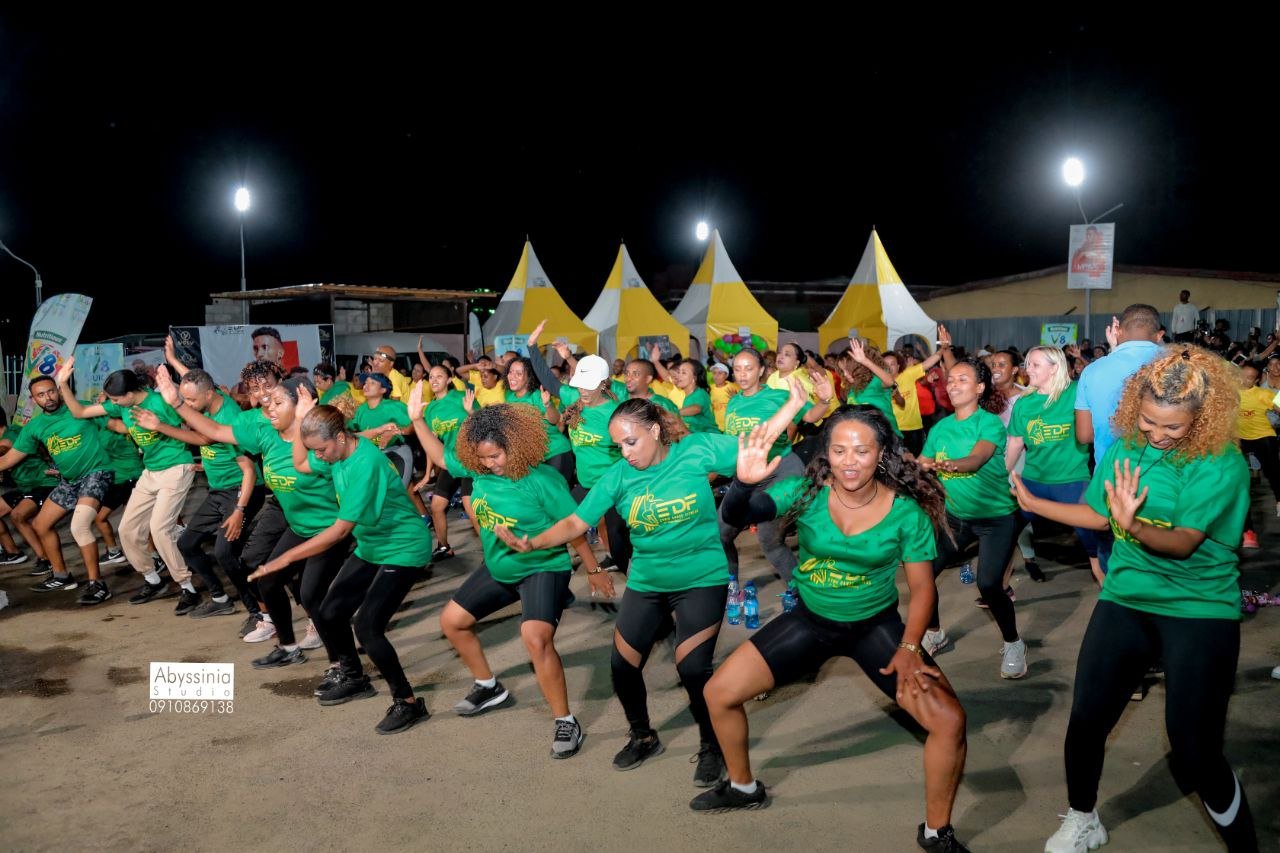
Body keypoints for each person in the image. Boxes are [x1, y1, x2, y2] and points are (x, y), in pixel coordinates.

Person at [495, 382, 808, 785]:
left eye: (631, 442)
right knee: (622, 666)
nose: (625, 453)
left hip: (701, 577)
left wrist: (794, 406)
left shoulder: (695, 451)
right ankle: (643, 736)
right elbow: (575, 522)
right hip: (647, 581)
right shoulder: (618, 476)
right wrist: (532, 542)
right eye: (618, 446)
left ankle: (712, 745)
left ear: (655, 431)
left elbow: (756, 441)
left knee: (693, 668)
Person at [1012, 346, 1257, 852]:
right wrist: (1035, 504)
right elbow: (1099, 515)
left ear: (1202, 417)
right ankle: (1083, 819)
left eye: (1173, 426)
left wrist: (1135, 525)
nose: (1158, 434)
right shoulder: (1126, 447)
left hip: (1197, 606)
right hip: (1126, 596)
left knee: (1194, 749)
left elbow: (1183, 542)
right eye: (1148, 421)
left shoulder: (1221, 461)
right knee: (1086, 719)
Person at [698, 410, 971, 852]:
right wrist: (743, 485)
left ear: (881, 454)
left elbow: (923, 590)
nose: (849, 461)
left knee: (949, 721)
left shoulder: (906, 513)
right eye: (839, 450)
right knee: (718, 692)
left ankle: (936, 832)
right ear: (826, 453)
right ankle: (743, 787)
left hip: (874, 626)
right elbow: (739, 513)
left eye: (862, 451)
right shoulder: (805, 492)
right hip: (810, 620)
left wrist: (908, 647)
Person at [408, 388, 607, 755]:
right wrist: (417, 420)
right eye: (483, 458)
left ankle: (565, 721)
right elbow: (440, 456)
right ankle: (489, 687)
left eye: (496, 455)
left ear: (515, 445)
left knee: (535, 638)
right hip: (501, 565)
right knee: (452, 622)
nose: (490, 464)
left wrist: (593, 569)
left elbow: (573, 527)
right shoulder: (478, 469)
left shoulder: (541, 480)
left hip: (542, 566)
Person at [252, 397, 433, 735]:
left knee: (367, 627)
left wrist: (285, 557)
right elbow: (301, 464)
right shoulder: (336, 454)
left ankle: (407, 702)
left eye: (321, 449)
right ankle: (354, 678)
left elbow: (338, 532)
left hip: (403, 548)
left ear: (340, 437)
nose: (318, 456)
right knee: (330, 611)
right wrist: (302, 419)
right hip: (373, 545)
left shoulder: (365, 464)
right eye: (314, 450)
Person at [157, 369, 346, 666]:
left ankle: (341, 665)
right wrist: (176, 403)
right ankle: (288, 648)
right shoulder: (265, 432)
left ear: (303, 404)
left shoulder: (322, 447)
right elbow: (215, 431)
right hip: (299, 526)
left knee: (312, 594)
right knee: (268, 581)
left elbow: (355, 461)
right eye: (268, 400)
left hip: (330, 529)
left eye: (278, 401)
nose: (268, 405)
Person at [59, 362, 201, 611]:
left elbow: (195, 427)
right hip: (151, 471)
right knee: (127, 529)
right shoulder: (122, 405)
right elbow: (79, 412)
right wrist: (62, 383)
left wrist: (162, 423)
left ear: (129, 393)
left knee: (160, 529)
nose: (111, 403)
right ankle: (153, 579)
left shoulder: (159, 403)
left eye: (115, 399)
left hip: (176, 467)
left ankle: (187, 586)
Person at [918, 358, 1027, 678]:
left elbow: (977, 458)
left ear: (980, 388)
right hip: (956, 517)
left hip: (996, 518)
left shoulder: (989, 423)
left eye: (962, 379)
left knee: (989, 584)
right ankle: (935, 633)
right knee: (923, 573)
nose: (953, 384)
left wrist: (948, 465)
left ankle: (1014, 643)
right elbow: (921, 464)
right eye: (950, 379)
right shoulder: (941, 428)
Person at [141, 369, 267, 619]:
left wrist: (239, 510)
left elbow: (248, 470)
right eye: (184, 399)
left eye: (191, 400)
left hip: (242, 491)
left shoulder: (229, 417)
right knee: (186, 544)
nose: (188, 405)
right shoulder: (209, 403)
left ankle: (259, 613)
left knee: (225, 553)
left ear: (209, 394)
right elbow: (206, 439)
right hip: (219, 490)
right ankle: (220, 599)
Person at [0, 374, 116, 604]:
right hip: (69, 481)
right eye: (41, 395)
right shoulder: (35, 427)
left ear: (59, 390)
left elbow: (116, 423)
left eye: (51, 391)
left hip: (97, 473)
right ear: (34, 400)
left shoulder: (80, 408)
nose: (48, 397)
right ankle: (61, 575)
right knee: (40, 524)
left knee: (79, 526)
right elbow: (7, 460)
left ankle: (98, 584)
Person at [719, 348, 832, 582]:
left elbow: (811, 416)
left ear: (761, 370)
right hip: (748, 476)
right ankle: (730, 587)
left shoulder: (779, 396)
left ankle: (799, 592)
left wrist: (824, 400)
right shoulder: (733, 403)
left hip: (780, 470)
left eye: (748, 368)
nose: (742, 374)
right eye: (737, 369)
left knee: (770, 541)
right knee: (721, 533)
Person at [1075, 305, 1163, 574]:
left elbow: (1084, 435)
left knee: (1116, 566)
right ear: (1159, 335)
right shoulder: (1179, 364)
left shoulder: (1093, 371)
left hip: (1113, 482)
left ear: (1118, 331)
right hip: (1169, 481)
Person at [1006, 347, 1098, 583]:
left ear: (1055, 367)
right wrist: (999, 475)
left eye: (1035, 365)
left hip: (1072, 480)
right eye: (1027, 364)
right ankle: (998, 589)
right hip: (1033, 480)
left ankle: (1108, 589)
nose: (1028, 369)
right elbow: (1015, 442)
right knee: (1005, 533)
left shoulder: (1076, 393)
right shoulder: (1024, 403)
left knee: (1092, 539)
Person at [422, 364, 470, 562]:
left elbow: (483, 423)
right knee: (436, 506)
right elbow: (431, 444)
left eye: (439, 376)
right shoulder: (430, 409)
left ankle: (490, 553)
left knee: (471, 507)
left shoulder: (461, 397)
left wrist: (471, 411)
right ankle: (444, 547)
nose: (434, 380)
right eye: (431, 377)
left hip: (471, 460)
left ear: (449, 379)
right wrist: (428, 474)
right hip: (449, 461)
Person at [504, 356, 574, 484]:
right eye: (510, 372)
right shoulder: (509, 397)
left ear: (529, 377)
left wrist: (547, 404)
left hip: (555, 452)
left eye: (518, 373)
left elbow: (555, 420)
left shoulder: (536, 396)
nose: (512, 376)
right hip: (535, 457)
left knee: (555, 494)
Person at [1236, 362, 1280, 549]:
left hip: (1263, 437)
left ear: (1256, 380)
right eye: (1242, 375)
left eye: (1249, 378)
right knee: (1238, 481)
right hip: (1240, 439)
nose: (1243, 380)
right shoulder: (1230, 394)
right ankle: (1248, 532)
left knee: (1273, 472)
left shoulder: (1263, 394)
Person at [883, 338, 949, 456]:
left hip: (913, 428)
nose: (889, 367)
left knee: (916, 461)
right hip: (891, 429)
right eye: (885, 365)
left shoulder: (907, 374)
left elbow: (928, 363)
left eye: (892, 364)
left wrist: (942, 349)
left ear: (898, 366)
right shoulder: (878, 384)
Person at [349, 370, 413, 487]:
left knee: (396, 492)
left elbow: (415, 423)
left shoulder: (393, 406)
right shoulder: (361, 410)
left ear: (383, 390)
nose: (366, 385)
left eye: (372, 383)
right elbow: (351, 431)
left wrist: (397, 431)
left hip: (395, 452)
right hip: (372, 455)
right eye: (366, 382)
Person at [708, 362, 738, 431]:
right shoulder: (709, 389)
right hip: (716, 427)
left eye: (720, 373)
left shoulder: (733, 387)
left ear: (726, 375)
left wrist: (736, 398)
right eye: (714, 373)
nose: (716, 376)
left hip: (731, 426)